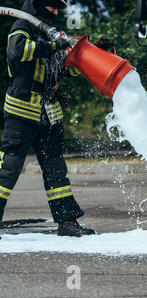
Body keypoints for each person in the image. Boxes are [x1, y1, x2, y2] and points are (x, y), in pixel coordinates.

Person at [0, 0, 95, 237]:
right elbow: (18, 51)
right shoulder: (22, 26)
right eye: (51, 6)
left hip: (49, 113)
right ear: (38, 4)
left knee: (56, 171)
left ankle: (67, 222)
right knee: (8, 169)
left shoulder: (53, 36)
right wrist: (52, 45)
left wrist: (85, 55)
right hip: (22, 110)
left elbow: (64, 69)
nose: (55, 12)